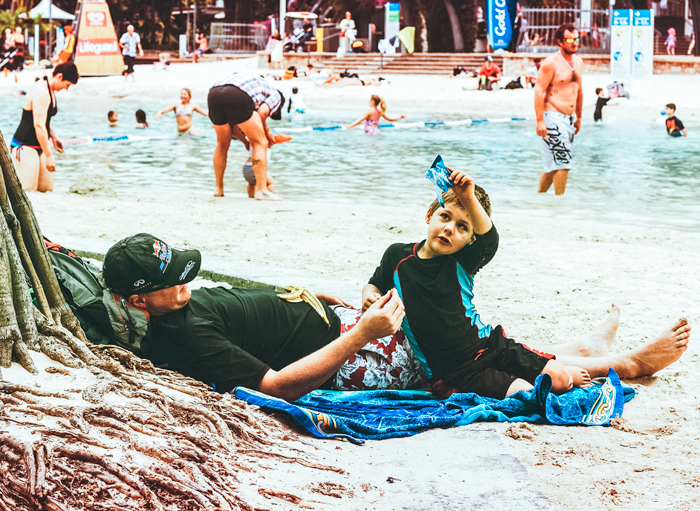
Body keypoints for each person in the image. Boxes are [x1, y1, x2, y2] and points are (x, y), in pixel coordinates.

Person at [363, 170, 692, 398]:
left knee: (558, 377)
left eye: (463, 227)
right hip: (454, 373)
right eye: (445, 217)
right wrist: (369, 297)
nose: (450, 229)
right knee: (556, 382)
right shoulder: (398, 256)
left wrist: (467, 196)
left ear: (470, 239)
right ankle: (599, 355)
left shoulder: (461, 262)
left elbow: (489, 238)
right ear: (429, 216)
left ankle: (624, 362)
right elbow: (374, 285)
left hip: (491, 345)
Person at [102, 233, 421, 401]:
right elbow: (276, 386)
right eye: (172, 280)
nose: (184, 281)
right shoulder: (189, 335)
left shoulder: (174, 304)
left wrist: (294, 300)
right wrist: (361, 335)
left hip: (341, 323)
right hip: (356, 354)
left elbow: (233, 303)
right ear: (138, 299)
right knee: (432, 349)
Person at [207, 72, 285, 200]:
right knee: (261, 143)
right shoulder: (276, 96)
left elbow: (235, 128)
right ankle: (261, 190)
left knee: (222, 144)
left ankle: (218, 188)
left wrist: (245, 142)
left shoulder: (258, 89)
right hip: (238, 93)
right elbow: (262, 114)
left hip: (214, 92)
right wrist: (266, 133)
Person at [10, 62, 79, 192]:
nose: (66, 88)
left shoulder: (50, 90)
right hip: (25, 145)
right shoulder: (41, 91)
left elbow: (44, 119)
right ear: (59, 77)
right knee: (29, 192)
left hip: (40, 144)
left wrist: (54, 137)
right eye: (67, 85)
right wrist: (49, 156)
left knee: (47, 191)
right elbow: (38, 125)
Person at [534, 23, 583, 196]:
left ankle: (539, 199)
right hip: (551, 116)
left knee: (551, 167)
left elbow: (579, 90)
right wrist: (539, 120)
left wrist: (579, 117)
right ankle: (559, 204)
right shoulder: (551, 63)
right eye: (570, 39)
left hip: (569, 118)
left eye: (577, 39)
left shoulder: (578, 62)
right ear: (560, 42)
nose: (575, 43)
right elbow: (539, 91)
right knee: (563, 162)